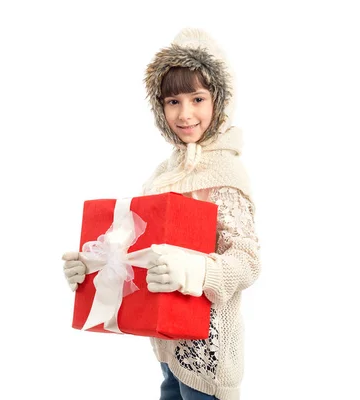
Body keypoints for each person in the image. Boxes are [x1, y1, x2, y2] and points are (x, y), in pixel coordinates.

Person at [62, 27, 261, 400]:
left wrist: (195, 271)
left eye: (197, 98)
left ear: (219, 100)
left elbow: (248, 262)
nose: (185, 114)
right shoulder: (163, 174)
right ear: (160, 108)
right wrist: (91, 265)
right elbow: (139, 249)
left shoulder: (228, 173)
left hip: (209, 358)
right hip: (166, 348)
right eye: (172, 102)